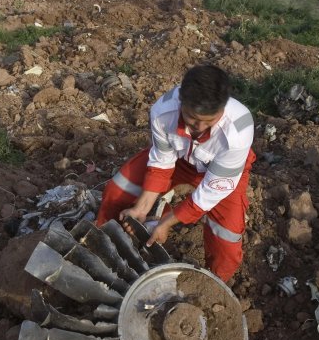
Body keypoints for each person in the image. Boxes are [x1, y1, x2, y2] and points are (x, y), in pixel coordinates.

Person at [96, 64, 255, 282]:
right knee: (118, 190)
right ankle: (103, 248)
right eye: (192, 118)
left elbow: (210, 192)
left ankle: (213, 284)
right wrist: (141, 208)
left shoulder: (238, 130)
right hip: (180, 160)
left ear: (223, 107)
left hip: (220, 174)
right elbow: (162, 161)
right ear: (181, 102)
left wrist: (168, 223)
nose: (200, 127)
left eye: (209, 121)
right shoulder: (162, 111)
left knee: (226, 241)